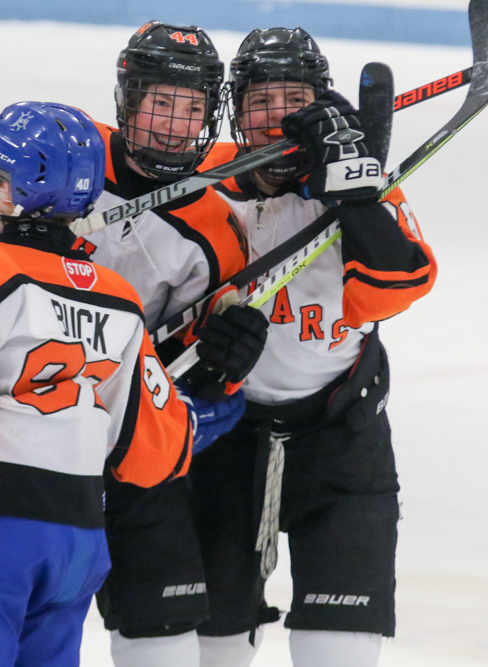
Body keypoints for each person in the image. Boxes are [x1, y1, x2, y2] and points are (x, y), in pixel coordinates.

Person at [0, 22, 270, 666]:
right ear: (126, 99)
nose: (173, 124)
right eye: (159, 103)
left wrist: (225, 359)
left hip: (117, 432)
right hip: (34, 436)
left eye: (191, 109)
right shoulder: (64, 150)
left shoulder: (217, 225)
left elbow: (195, 362)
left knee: (157, 624)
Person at [189, 27, 437, 667]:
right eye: (260, 100)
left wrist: (351, 191)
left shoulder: (361, 184)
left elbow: (397, 286)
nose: (277, 115)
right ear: (235, 111)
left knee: (338, 650)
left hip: (341, 444)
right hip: (221, 440)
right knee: (211, 646)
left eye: (294, 97)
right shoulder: (201, 182)